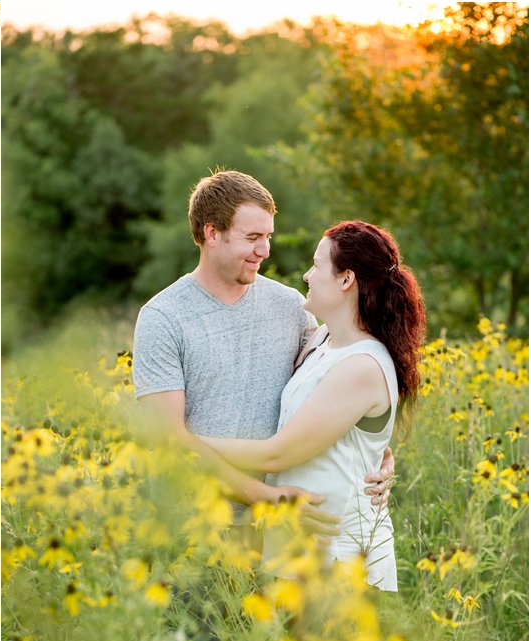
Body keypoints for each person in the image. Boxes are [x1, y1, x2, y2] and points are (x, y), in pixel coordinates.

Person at [134, 171, 393, 544]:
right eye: (253, 238)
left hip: (279, 535)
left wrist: (376, 455)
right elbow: (170, 441)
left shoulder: (290, 306)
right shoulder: (164, 318)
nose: (266, 250)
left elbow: (335, 388)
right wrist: (270, 500)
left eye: (268, 236)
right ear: (212, 233)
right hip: (192, 531)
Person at [198, 222, 426, 590]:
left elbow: (276, 455)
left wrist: (184, 442)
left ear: (346, 279)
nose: (306, 274)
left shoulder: (362, 365)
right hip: (298, 557)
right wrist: (377, 453)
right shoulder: (321, 339)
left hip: (342, 563)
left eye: (317, 266)